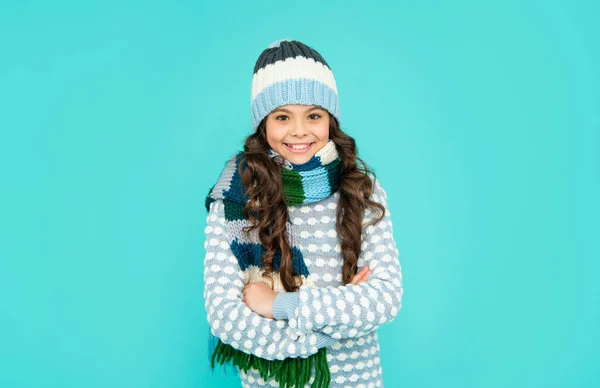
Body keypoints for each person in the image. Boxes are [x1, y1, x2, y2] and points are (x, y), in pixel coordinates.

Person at [203, 39, 403, 388]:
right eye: (282, 117)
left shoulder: (360, 188)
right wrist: (329, 331)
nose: (299, 131)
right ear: (263, 124)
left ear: (330, 120)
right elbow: (225, 316)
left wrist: (280, 306)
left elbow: (384, 299)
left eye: (313, 115)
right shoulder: (237, 198)